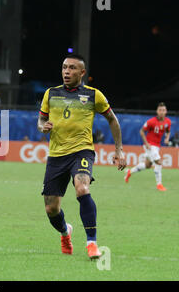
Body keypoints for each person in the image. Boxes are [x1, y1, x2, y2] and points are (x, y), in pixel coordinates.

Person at [37, 54, 126, 259]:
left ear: (82, 72)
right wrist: (44, 127)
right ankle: (65, 232)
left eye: (72, 68)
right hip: (57, 155)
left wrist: (118, 149)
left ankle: (91, 243)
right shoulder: (51, 94)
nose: (67, 72)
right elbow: (41, 121)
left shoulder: (94, 95)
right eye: (64, 68)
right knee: (51, 208)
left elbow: (112, 119)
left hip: (82, 151)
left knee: (82, 188)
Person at [124, 102, 171, 191]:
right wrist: (147, 143)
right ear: (157, 111)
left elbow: (168, 131)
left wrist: (167, 138)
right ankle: (159, 185)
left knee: (147, 165)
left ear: (166, 111)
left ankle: (130, 172)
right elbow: (141, 131)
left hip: (157, 146)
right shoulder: (151, 121)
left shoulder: (168, 122)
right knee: (158, 162)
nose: (162, 112)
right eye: (160, 110)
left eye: (163, 110)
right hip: (149, 145)